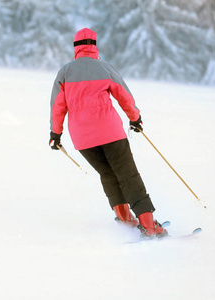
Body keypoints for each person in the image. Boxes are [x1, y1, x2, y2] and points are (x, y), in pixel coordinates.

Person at [49, 28, 167, 238]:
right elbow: (124, 96)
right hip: (110, 133)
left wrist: (55, 134)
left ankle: (124, 217)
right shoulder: (104, 68)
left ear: (75, 47)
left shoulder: (65, 72)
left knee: (108, 174)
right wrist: (135, 118)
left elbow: (57, 106)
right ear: (94, 45)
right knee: (128, 175)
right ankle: (148, 225)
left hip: (82, 139)